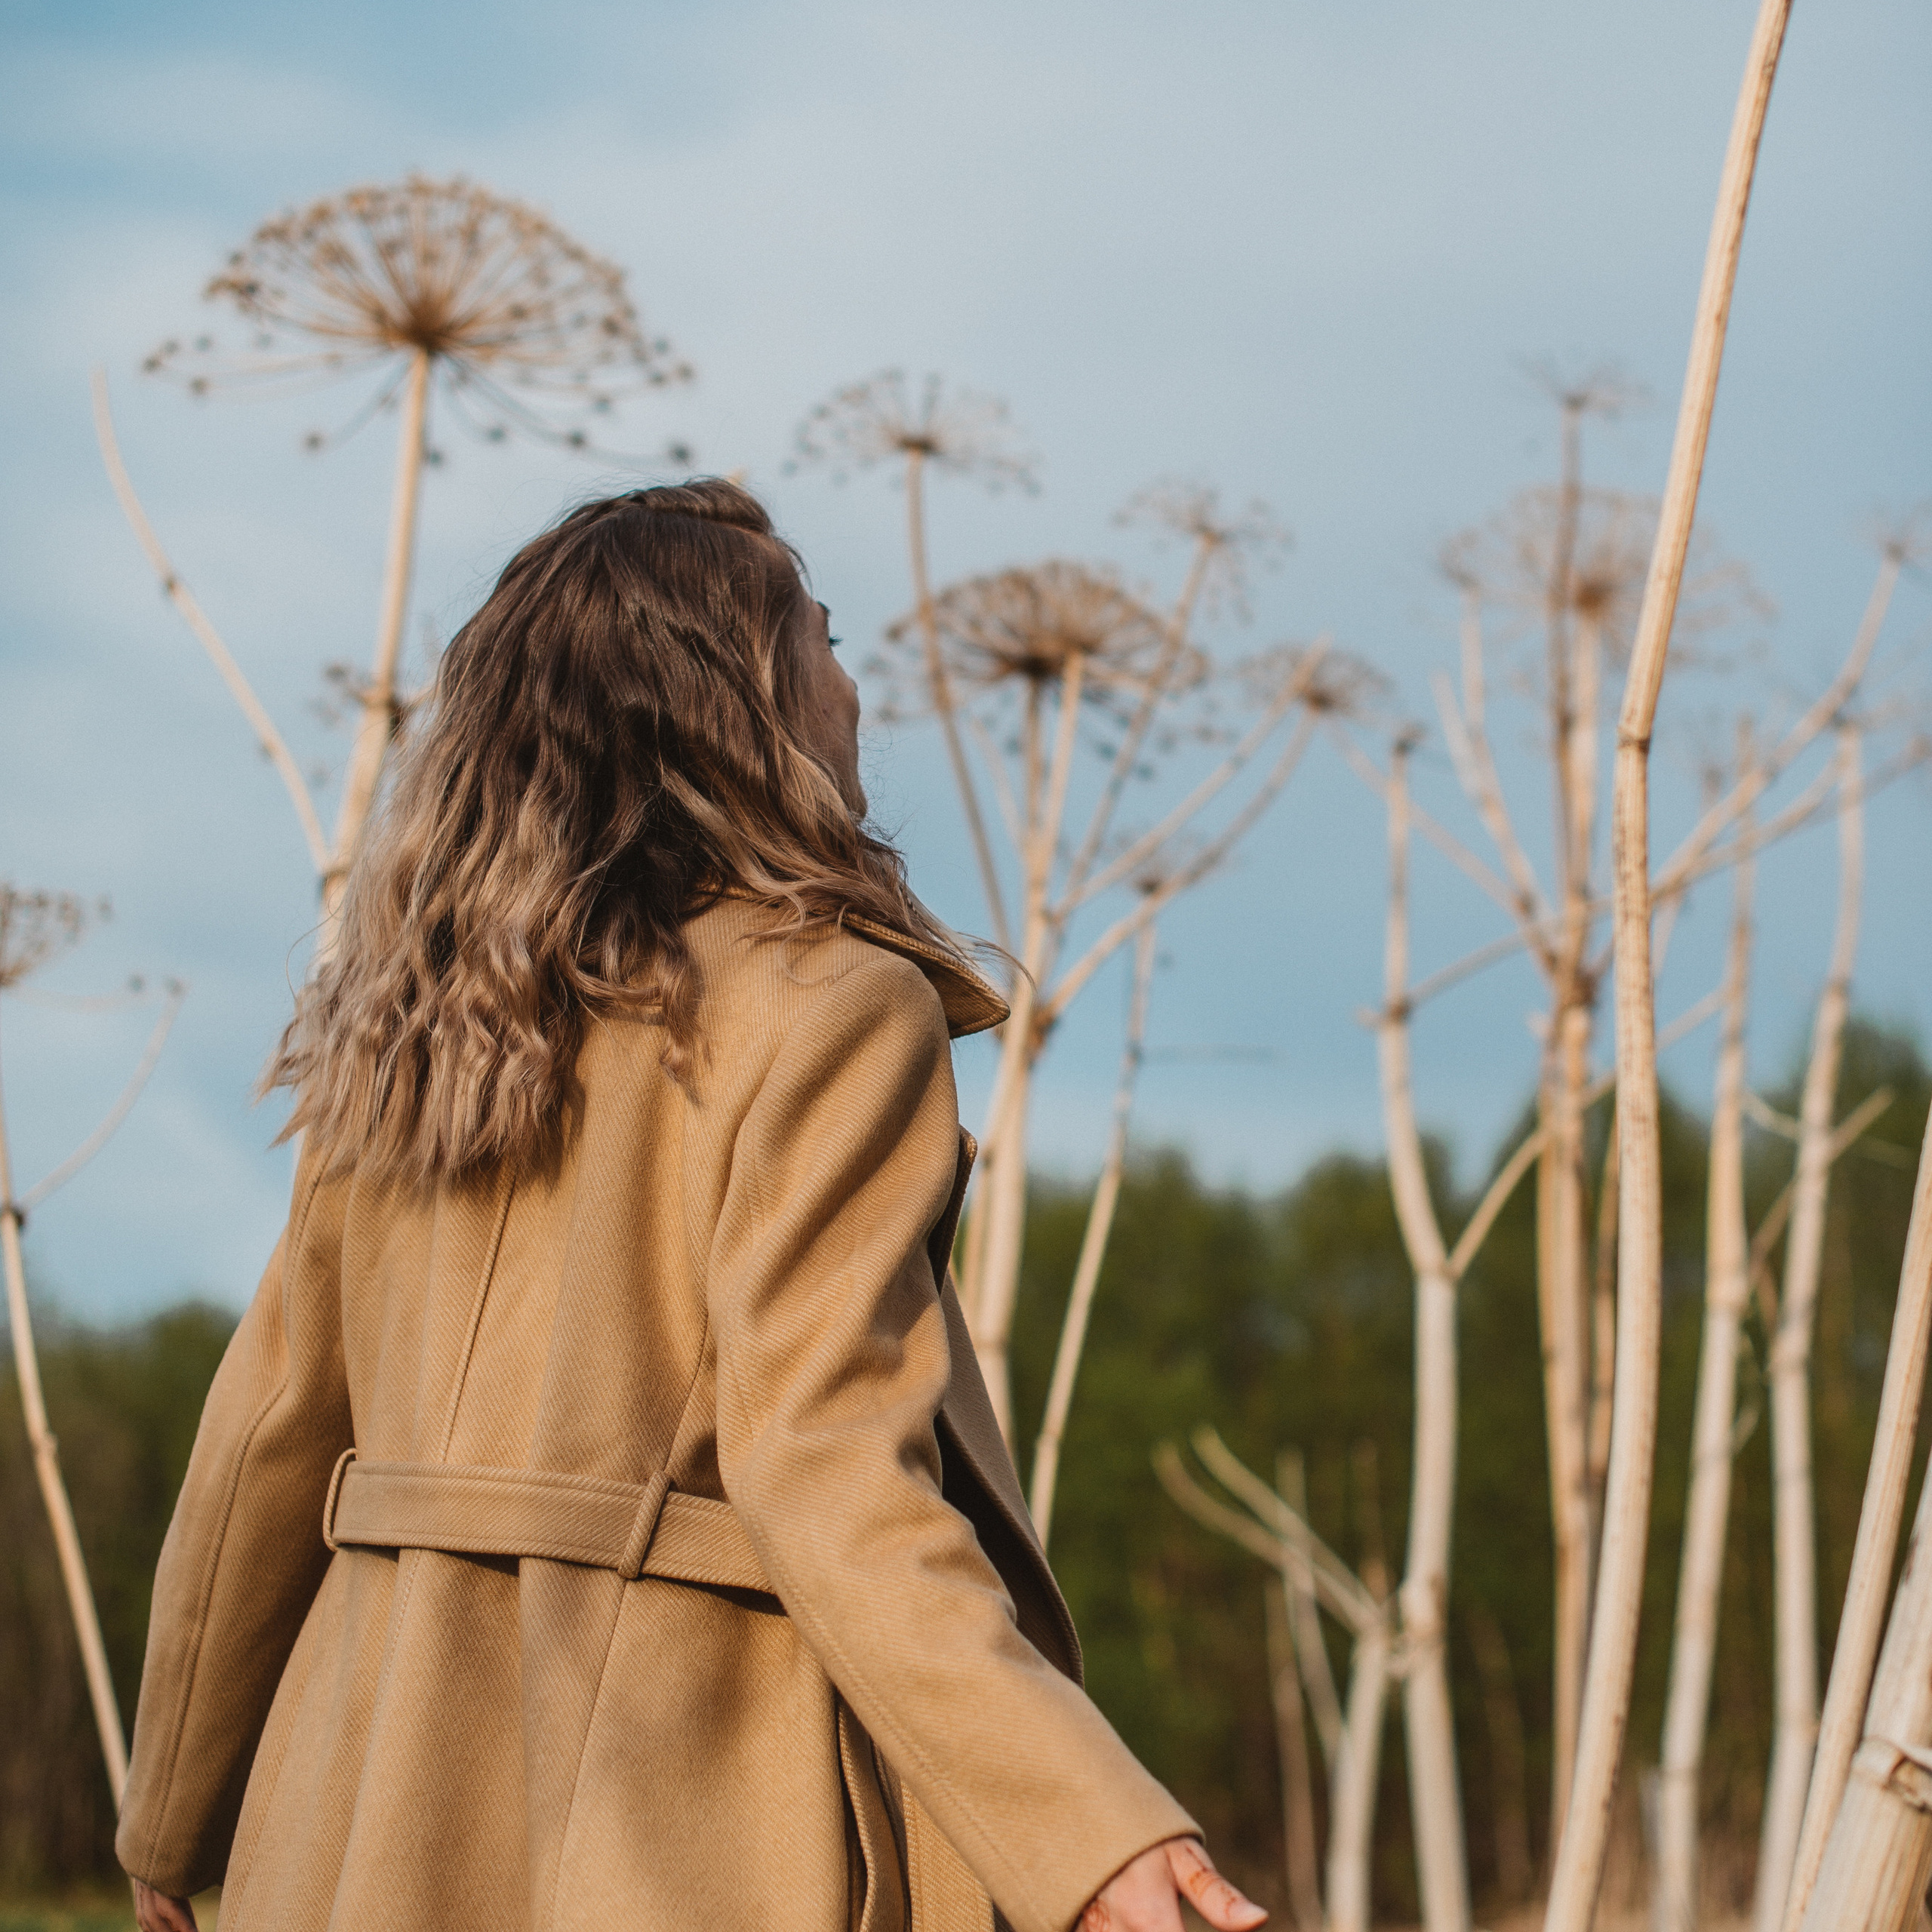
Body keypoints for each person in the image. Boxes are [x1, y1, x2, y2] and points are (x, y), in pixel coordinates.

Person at [117, 481, 1267, 1932]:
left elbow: (267, 1443)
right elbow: (827, 1462)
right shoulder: (835, 1007)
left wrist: (175, 1812)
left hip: (348, 1817)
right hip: (676, 1818)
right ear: (743, 696)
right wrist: (1082, 1831)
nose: (860, 689)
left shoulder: (412, 1028)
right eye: (828, 642)